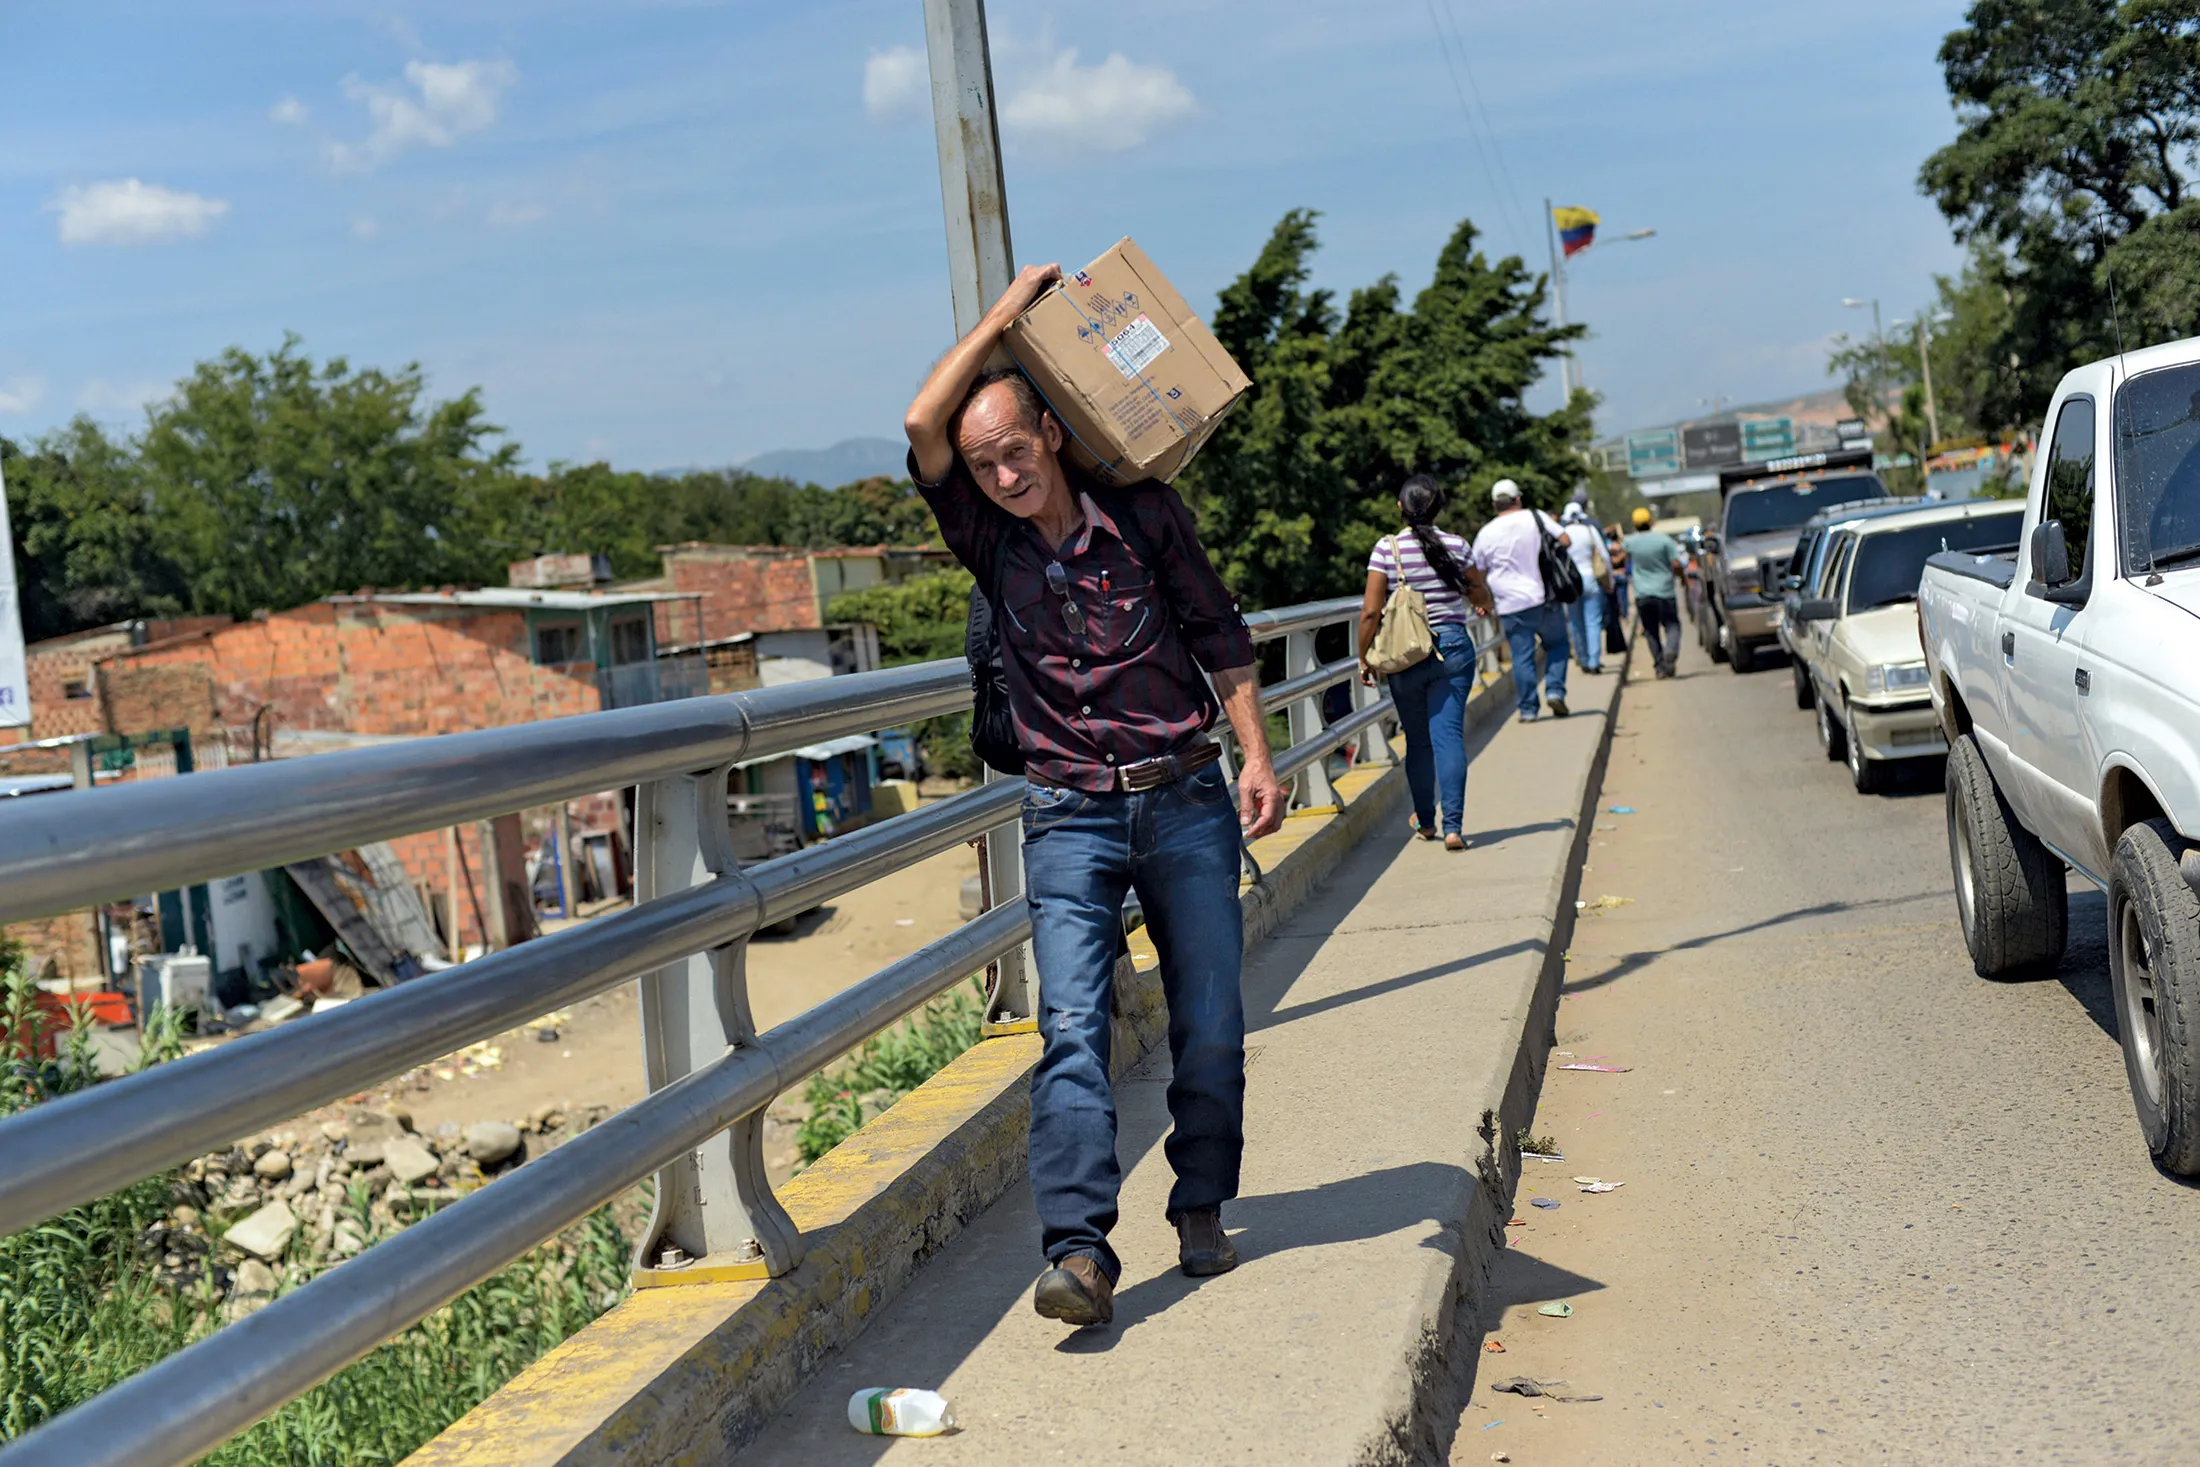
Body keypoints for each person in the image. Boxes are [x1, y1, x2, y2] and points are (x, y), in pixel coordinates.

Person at [903, 262, 1287, 1330]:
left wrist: (1257, 756)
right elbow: (920, 416)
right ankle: (1079, 1253)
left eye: (1014, 452)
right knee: (1072, 1028)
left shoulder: (1146, 517)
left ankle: (1202, 1199)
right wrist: (1003, 317)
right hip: (1066, 812)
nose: (1001, 476)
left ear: (1053, 437)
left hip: (1183, 799)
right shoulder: (985, 540)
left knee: (1208, 1019)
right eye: (982, 466)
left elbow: (1219, 635)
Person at [1356, 475, 1496, 851]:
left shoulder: (1386, 549)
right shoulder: (1457, 545)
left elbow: (1370, 612)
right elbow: (1478, 590)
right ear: (1438, 508)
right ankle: (1454, 826)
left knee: (1418, 743)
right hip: (1452, 647)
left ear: (1400, 507)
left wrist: (1364, 657)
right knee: (1448, 736)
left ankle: (1427, 822)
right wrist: (1481, 602)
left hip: (1406, 654)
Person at [1469, 479, 1572, 722]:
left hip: (1509, 605)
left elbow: (1476, 571)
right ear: (1518, 499)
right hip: (1543, 597)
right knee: (1557, 645)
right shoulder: (1535, 517)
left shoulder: (1486, 533)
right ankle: (1555, 690)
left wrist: (1484, 601)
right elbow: (1565, 539)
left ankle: (1528, 709)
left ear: (1495, 505)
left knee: (1521, 657)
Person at [1624, 506, 1687, 679]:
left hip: (1642, 594)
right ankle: (1670, 651)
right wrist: (1683, 578)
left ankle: (1660, 667)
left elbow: (1622, 558)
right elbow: (1675, 564)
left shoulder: (1630, 543)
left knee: (1651, 631)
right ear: (1651, 522)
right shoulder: (1664, 540)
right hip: (1665, 591)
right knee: (1672, 625)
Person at [1559, 497, 1608, 675]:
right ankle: (1594, 661)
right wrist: (1608, 580)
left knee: (1575, 622)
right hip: (1590, 579)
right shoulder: (1589, 530)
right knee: (1593, 622)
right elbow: (1604, 556)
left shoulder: (1562, 532)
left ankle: (1583, 658)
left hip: (1571, 583)